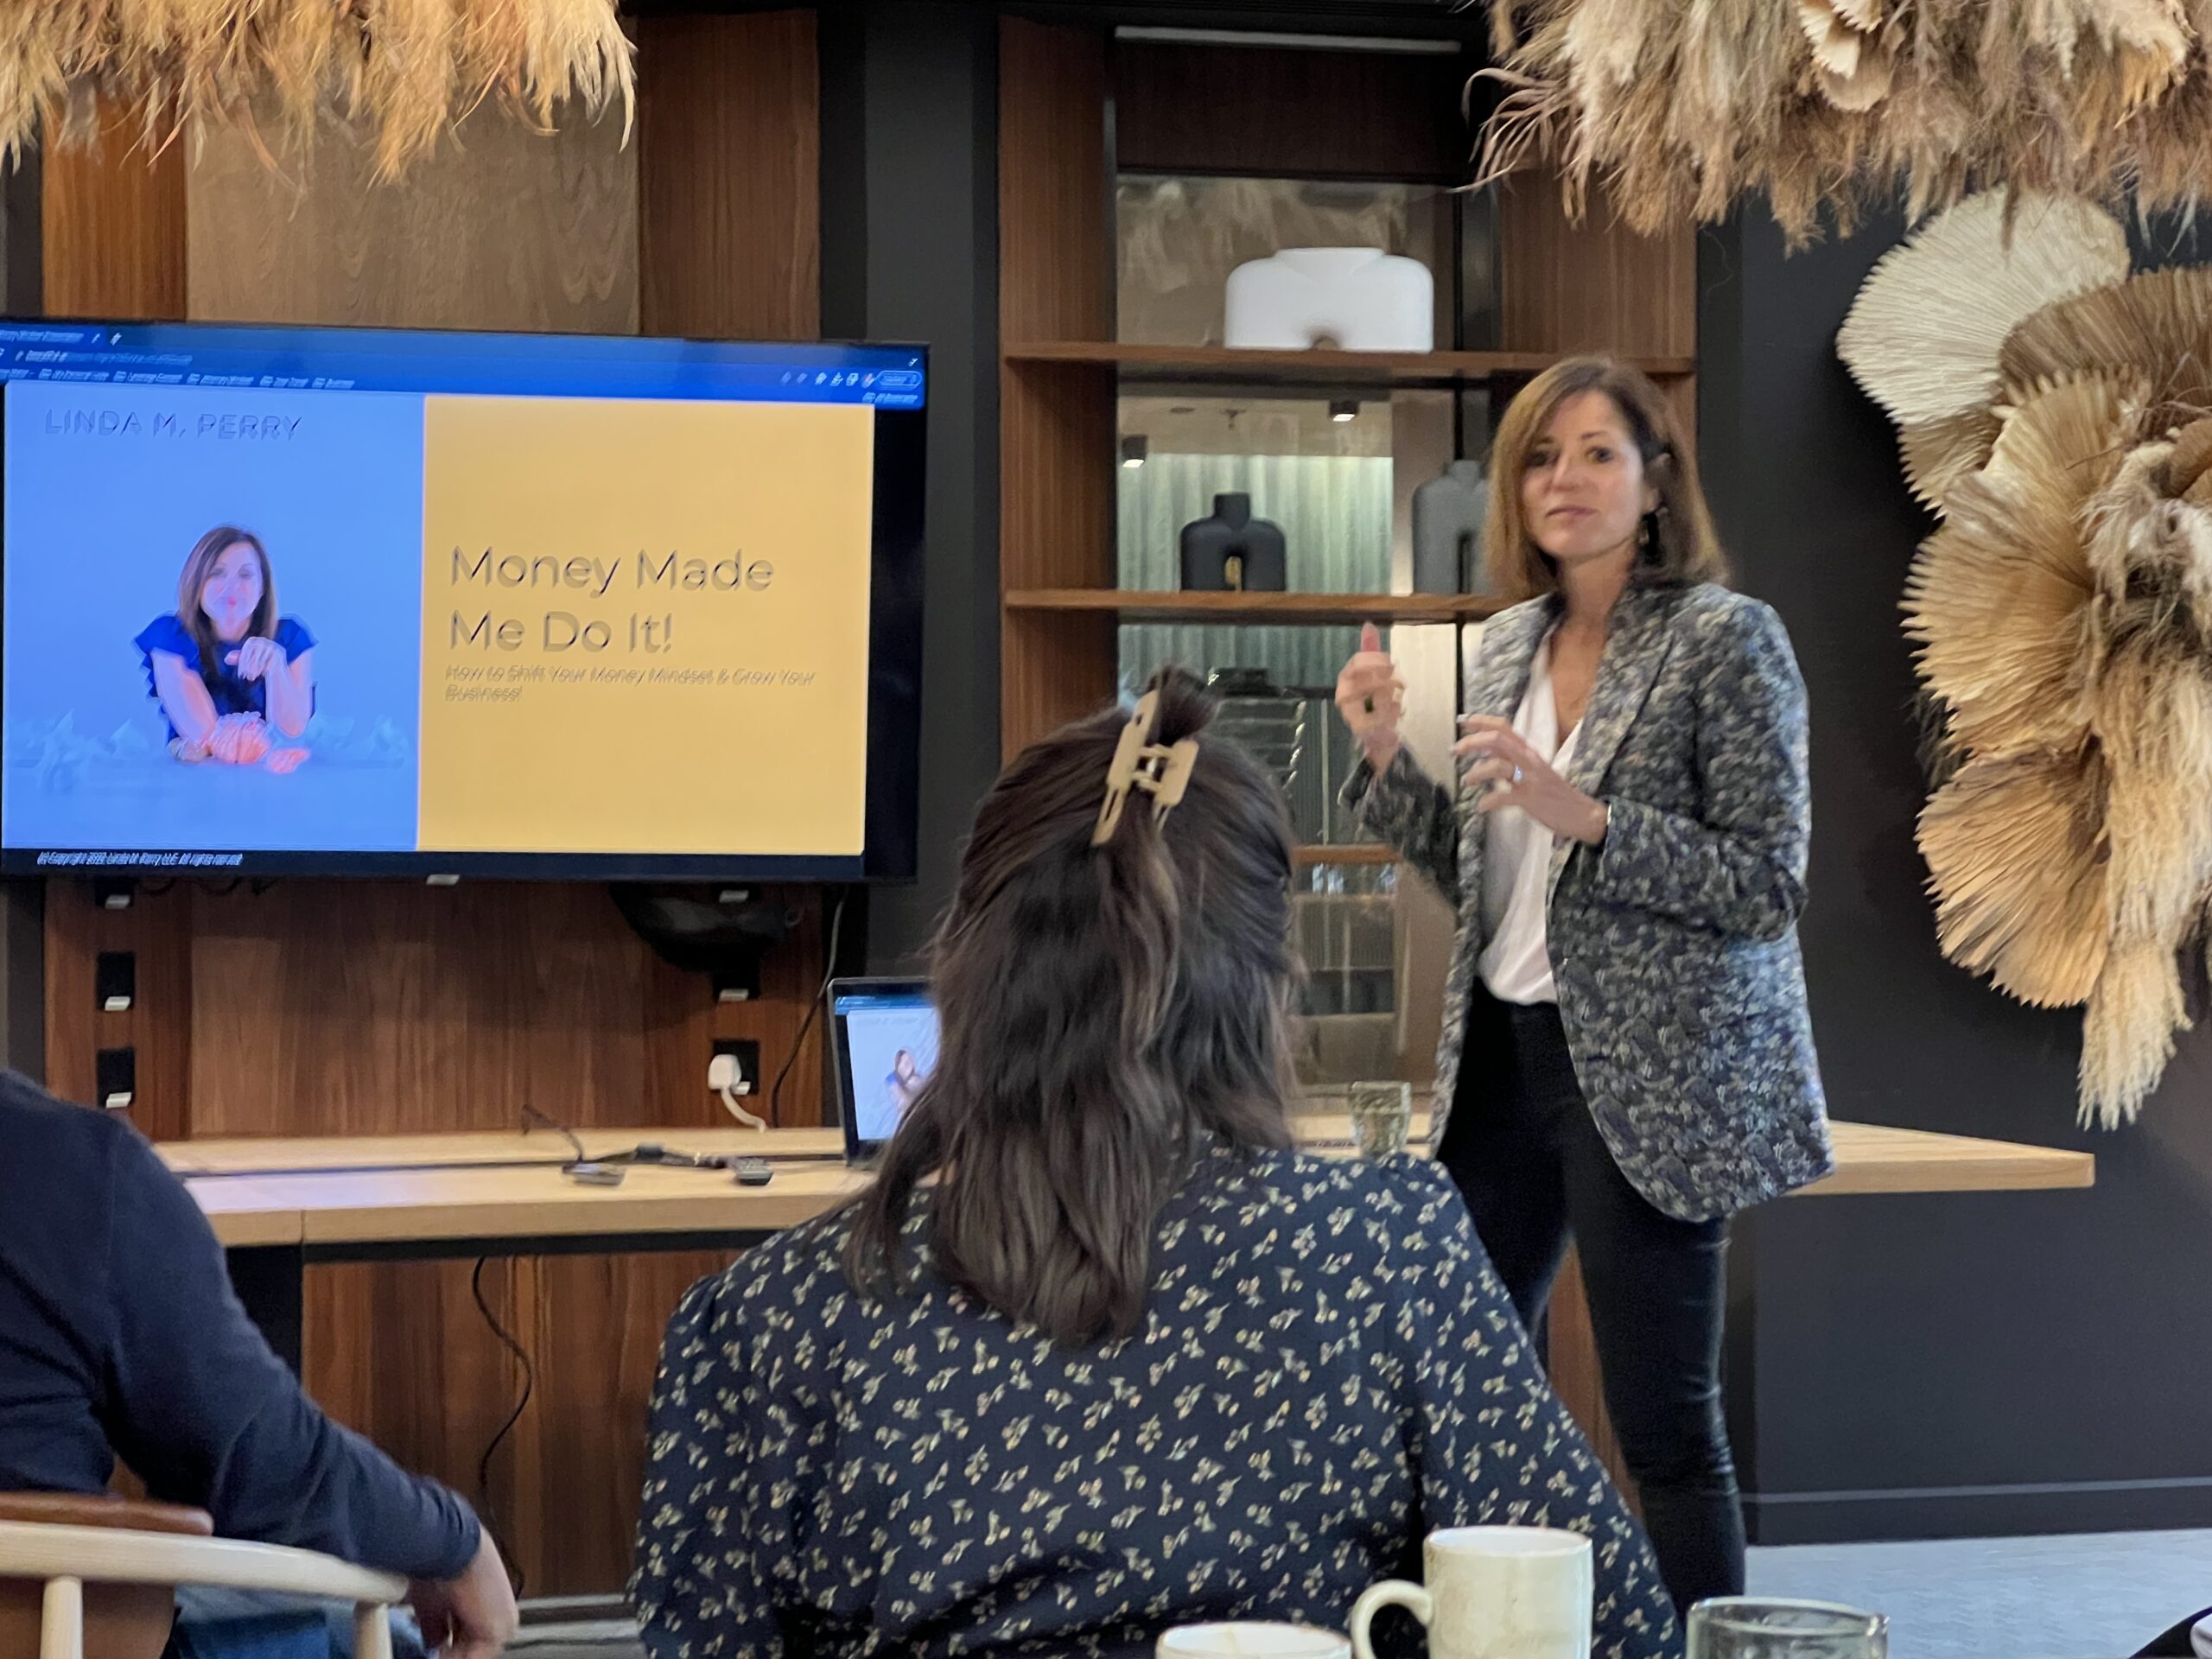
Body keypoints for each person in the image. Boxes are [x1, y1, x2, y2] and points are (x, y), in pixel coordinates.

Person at [633, 671, 1681, 1659]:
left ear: (968, 968)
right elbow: (1613, 1622)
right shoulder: (1388, 1250)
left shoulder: (771, 1320)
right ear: (1273, 981)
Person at [1333, 356, 1834, 1615]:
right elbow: (1489, 871)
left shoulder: (1728, 639)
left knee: (1663, 1423)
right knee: (1466, 1395)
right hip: (1502, 1066)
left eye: (1597, 452)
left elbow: (1768, 882)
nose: (1565, 479)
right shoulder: (1507, 642)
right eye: (1541, 456)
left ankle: (1707, 1649)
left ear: (1655, 481)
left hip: (1650, 1084)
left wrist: (1592, 815)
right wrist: (1387, 762)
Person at [0, 1070, 517, 1659]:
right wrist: (450, 1540)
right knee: (382, 1640)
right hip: (55, 1635)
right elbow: (265, 1466)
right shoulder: (77, 1172)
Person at [137, 525, 315, 772]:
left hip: (270, 781)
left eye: (246, 575)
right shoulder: (170, 637)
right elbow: (205, 735)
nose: (231, 587)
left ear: (263, 586)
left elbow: (293, 732)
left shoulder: (289, 636)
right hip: (196, 783)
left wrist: (276, 668)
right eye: (216, 573)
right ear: (196, 582)